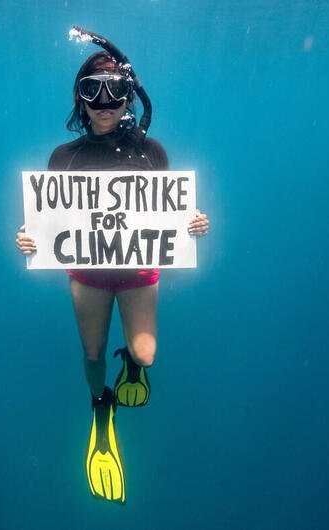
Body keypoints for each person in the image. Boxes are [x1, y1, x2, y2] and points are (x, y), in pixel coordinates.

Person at [15, 47, 209, 504]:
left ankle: (133, 368)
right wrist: (28, 238)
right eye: (92, 91)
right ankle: (101, 407)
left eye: (116, 91)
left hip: (139, 268)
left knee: (146, 353)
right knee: (91, 353)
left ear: (130, 98)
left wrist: (194, 223)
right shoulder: (63, 156)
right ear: (79, 99)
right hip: (88, 271)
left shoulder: (152, 152)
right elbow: (46, 221)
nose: (104, 101)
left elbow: (171, 212)